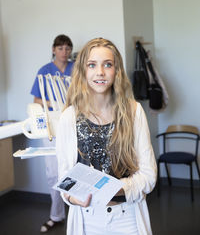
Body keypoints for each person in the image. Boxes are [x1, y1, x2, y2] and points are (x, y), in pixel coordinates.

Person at [56, 37, 157, 235]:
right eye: (92, 65)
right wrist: (71, 198)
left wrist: (117, 188)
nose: (100, 72)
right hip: (86, 219)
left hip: (127, 218)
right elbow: (65, 178)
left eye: (107, 65)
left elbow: (149, 175)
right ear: (82, 71)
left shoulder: (133, 112)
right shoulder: (69, 116)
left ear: (116, 70)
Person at [30, 34, 74, 233]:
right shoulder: (45, 72)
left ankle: (78, 212)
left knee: (76, 167)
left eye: (67, 48)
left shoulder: (76, 69)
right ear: (54, 50)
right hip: (52, 126)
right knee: (53, 173)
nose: (64, 52)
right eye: (61, 48)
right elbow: (36, 100)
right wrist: (55, 103)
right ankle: (56, 215)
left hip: (74, 123)